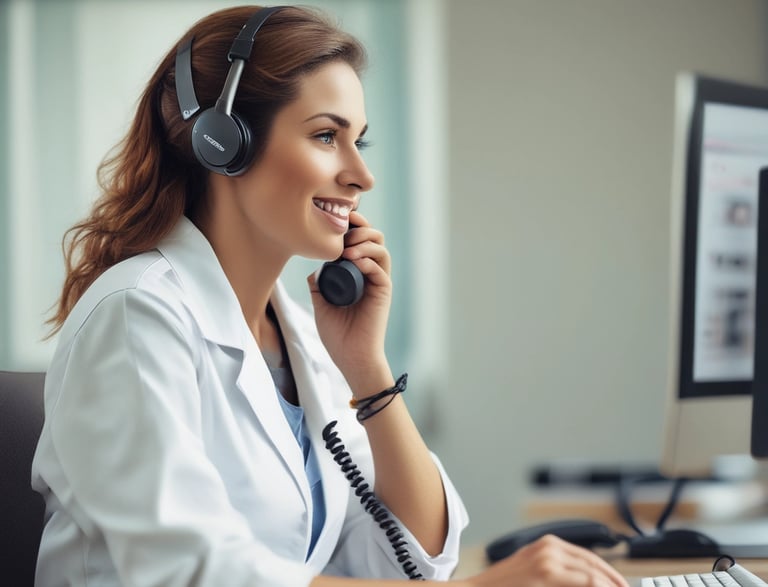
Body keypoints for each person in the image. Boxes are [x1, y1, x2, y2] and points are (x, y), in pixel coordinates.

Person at [31, 5, 630, 587]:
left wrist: (367, 369)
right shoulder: (136, 317)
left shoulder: (295, 336)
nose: (361, 176)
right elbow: (189, 573)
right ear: (224, 143)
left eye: (358, 142)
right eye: (325, 136)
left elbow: (411, 564)